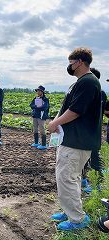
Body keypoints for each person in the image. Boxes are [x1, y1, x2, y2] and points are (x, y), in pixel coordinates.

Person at [48, 47, 102, 231]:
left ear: (79, 62)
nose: (69, 66)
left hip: (77, 141)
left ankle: (77, 220)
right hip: (72, 139)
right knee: (71, 177)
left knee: (66, 177)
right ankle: (69, 209)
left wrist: (55, 124)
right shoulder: (81, 82)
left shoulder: (88, 82)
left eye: (71, 62)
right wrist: (58, 122)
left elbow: (76, 110)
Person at [81, 67, 106, 192]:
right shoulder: (97, 92)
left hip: (92, 130)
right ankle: (84, 179)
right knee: (84, 156)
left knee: (94, 156)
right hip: (87, 130)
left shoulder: (99, 93)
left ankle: (98, 185)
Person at [29, 85, 49, 150]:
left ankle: (43, 144)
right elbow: (31, 105)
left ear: (42, 92)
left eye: (38, 91)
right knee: (35, 129)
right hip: (35, 115)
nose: (37, 92)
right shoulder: (36, 98)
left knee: (42, 129)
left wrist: (36, 106)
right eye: (37, 91)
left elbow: (44, 107)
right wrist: (37, 106)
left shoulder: (46, 99)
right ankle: (36, 142)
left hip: (41, 116)